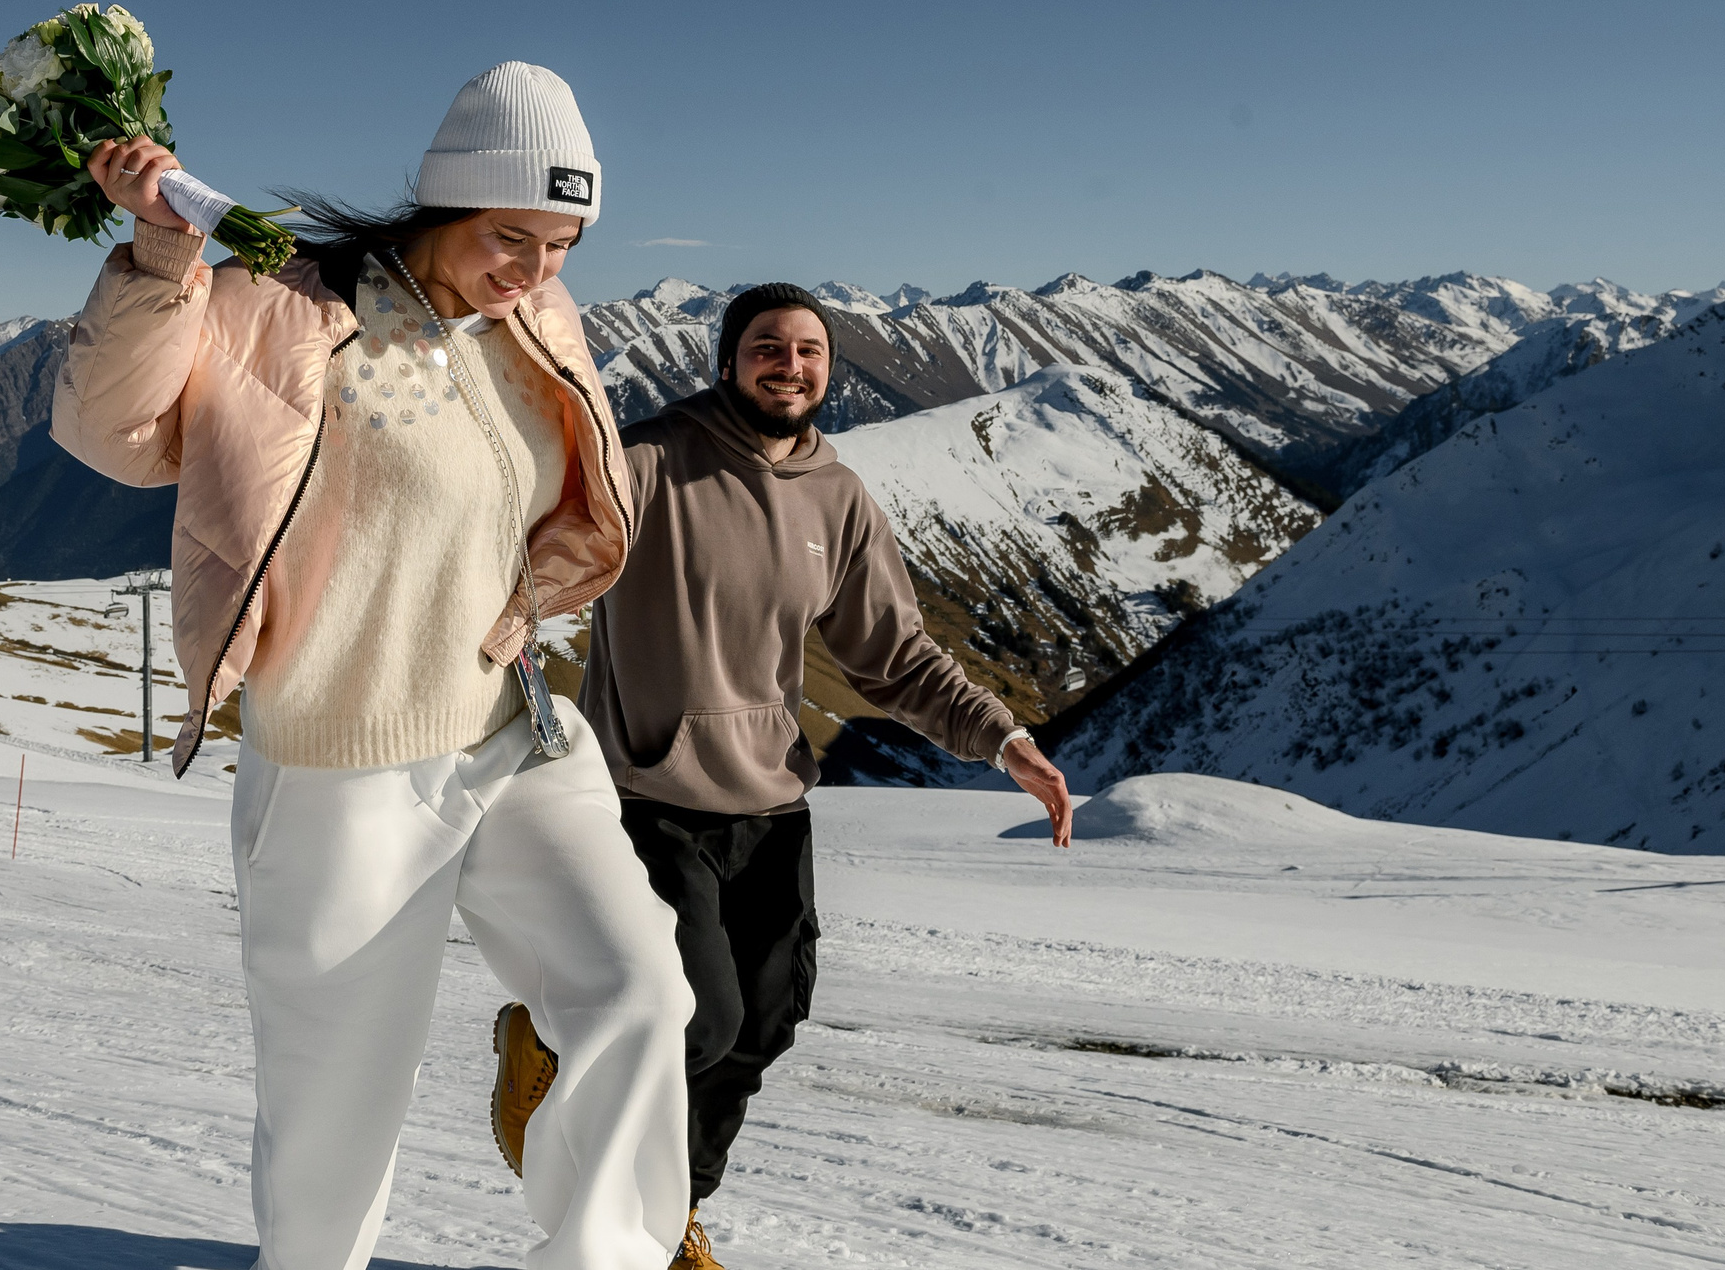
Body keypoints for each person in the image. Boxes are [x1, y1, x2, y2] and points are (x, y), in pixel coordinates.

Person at [54, 61, 694, 1270]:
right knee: (332, 1124)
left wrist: (539, 590)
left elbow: (569, 487)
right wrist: (155, 259)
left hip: (510, 732)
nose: (537, 268)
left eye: (563, 242)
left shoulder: (535, 321)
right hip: (342, 762)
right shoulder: (279, 302)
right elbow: (112, 435)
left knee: (639, 994)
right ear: (440, 203)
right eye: (514, 233)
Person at [506, 283, 1076, 1270]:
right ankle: (560, 1053)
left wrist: (1003, 738)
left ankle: (671, 1209)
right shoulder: (646, 460)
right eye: (767, 346)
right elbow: (530, 535)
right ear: (728, 359)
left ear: (828, 367)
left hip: (770, 803)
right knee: (697, 1016)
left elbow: (892, 654)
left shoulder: (835, 494)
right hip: (645, 797)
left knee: (762, 1023)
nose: (790, 363)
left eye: (809, 349)